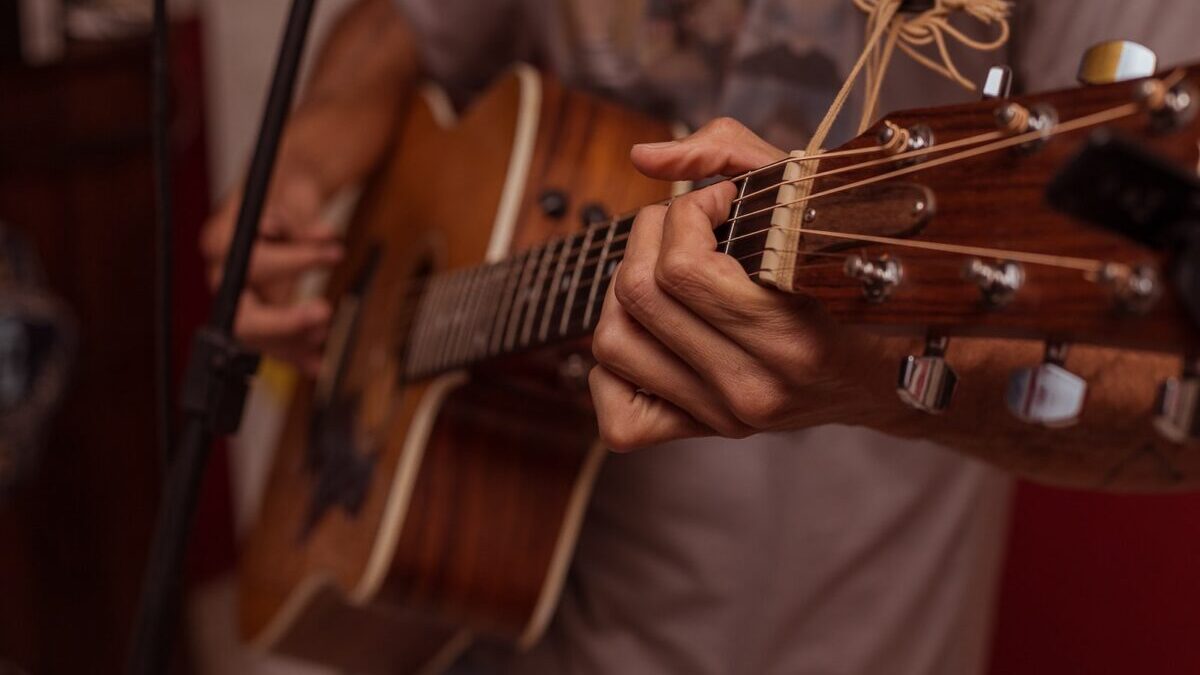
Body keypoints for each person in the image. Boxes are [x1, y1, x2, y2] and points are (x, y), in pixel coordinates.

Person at [201, 1, 1200, 673]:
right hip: (487, 599)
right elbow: (411, 19)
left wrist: (869, 375)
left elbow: (1171, 393)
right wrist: (305, 155)